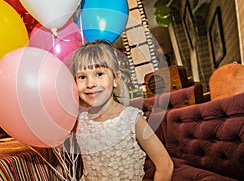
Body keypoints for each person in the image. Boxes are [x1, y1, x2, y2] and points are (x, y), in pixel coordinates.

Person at [70, 39, 174, 180]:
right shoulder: (80, 121)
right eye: (82, 77)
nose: (90, 84)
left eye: (99, 74)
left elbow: (165, 165)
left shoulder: (131, 119)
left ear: (115, 79)